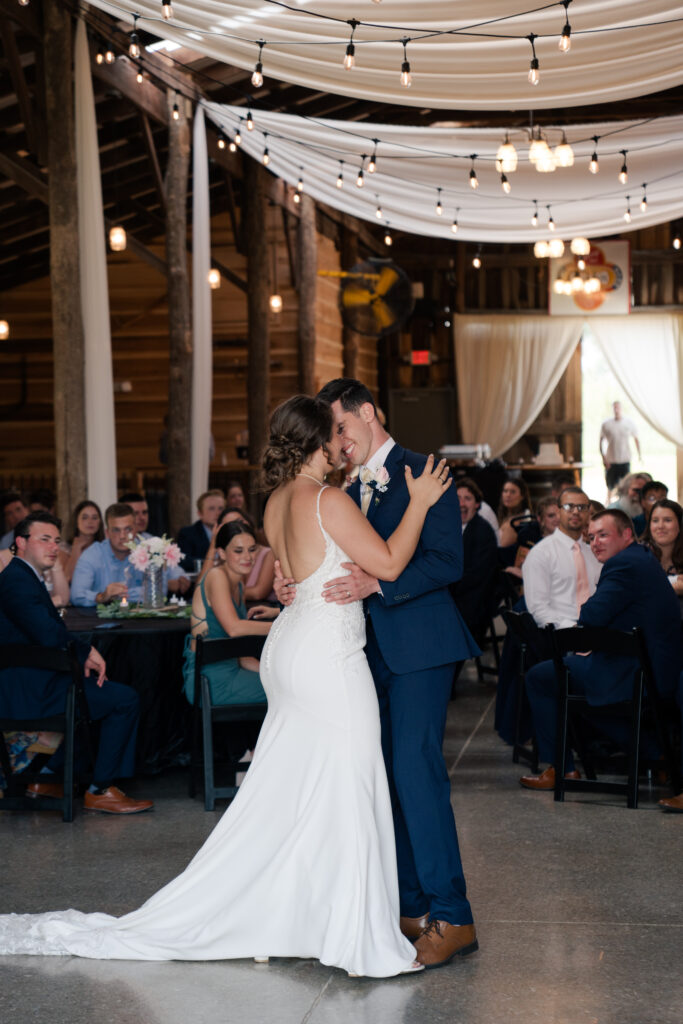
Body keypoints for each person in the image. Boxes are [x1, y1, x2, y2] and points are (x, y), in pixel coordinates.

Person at [0, 394, 449, 976]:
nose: (344, 442)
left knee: (298, 784)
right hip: (327, 656)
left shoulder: (276, 502)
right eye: (335, 433)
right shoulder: (328, 498)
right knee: (347, 779)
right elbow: (387, 565)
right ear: (318, 440)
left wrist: (294, 586)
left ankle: (313, 913)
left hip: (293, 643)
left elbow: (290, 579)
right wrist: (418, 503)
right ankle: (347, 928)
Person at [289, 377, 480, 969]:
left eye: (341, 427)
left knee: (416, 774)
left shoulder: (427, 471)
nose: (338, 441)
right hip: (359, 651)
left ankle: (455, 915)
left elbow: (449, 562)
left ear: (369, 413)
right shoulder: (338, 485)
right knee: (383, 776)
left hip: (420, 645)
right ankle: (411, 906)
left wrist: (379, 583)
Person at [0, 512, 153, 815]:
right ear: (20, 542)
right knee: (123, 699)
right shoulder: (16, 580)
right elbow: (46, 632)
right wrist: (85, 653)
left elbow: (46, 630)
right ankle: (100, 790)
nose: (54, 547)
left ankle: (46, 779)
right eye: (44, 539)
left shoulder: (22, 576)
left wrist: (81, 654)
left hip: (35, 679)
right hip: (28, 690)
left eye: (56, 540)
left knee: (98, 691)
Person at [519, 509, 681, 791]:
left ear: (626, 534)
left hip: (638, 671)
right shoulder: (641, 557)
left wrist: (588, 611)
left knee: (540, 678)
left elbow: (591, 616)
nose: (595, 543)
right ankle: (658, 755)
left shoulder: (622, 565)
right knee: (578, 691)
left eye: (603, 535)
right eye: (591, 537)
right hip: (651, 665)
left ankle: (561, 768)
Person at [182, 520, 274, 707]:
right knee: (289, 693)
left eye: (252, 549)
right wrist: (282, 626)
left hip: (232, 671)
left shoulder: (239, 585)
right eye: (238, 551)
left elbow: (241, 655)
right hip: (209, 681)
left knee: (288, 685)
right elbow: (234, 628)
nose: (247, 557)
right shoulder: (217, 576)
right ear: (222, 553)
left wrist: (272, 674)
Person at [522, 487, 601, 629]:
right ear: (558, 512)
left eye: (581, 507)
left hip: (596, 628)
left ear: (589, 513)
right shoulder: (541, 553)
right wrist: (571, 628)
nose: (576, 511)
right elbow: (538, 609)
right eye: (568, 506)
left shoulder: (595, 554)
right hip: (560, 634)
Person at [450, 477, 499, 641]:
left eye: (467, 499)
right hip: (454, 596)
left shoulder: (483, 532)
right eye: (457, 498)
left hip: (473, 603)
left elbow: (475, 578)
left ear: (477, 504)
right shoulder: (448, 528)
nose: (461, 503)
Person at [119, 491, 191, 596]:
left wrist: (181, 578)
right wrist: (164, 584)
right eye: (135, 513)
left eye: (145, 512)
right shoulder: (119, 544)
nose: (142, 518)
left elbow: (174, 569)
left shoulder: (152, 540)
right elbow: (126, 586)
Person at [71, 503, 141, 607]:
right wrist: (102, 596)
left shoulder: (148, 551)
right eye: (116, 530)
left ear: (135, 530)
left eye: (128, 529)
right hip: (100, 621)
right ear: (107, 533)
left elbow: (159, 591)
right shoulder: (92, 555)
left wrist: (117, 595)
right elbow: (76, 596)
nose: (122, 536)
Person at [600, 401, 641, 497]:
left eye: (618, 407)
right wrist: (604, 457)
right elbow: (601, 441)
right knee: (610, 485)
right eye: (614, 407)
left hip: (624, 459)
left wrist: (639, 454)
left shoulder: (629, 423)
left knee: (625, 485)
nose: (616, 410)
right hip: (611, 460)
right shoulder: (606, 424)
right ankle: (608, 502)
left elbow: (636, 439)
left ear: (621, 409)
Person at [177, 490, 226, 572]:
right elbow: (184, 561)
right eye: (211, 508)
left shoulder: (230, 531)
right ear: (200, 513)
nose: (218, 513)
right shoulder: (188, 533)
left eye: (221, 508)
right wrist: (214, 563)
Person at [58, 500, 104, 583]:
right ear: (76, 520)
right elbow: (66, 579)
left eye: (94, 518)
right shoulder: (64, 548)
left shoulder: (103, 547)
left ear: (99, 522)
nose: (90, 522)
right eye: (85, 517)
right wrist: (76, 549)